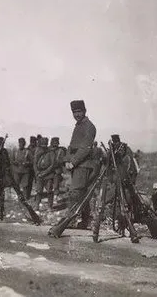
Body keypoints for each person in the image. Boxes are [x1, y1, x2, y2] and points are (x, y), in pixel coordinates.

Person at [57, 99, 97, 231]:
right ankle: (86, 221)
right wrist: (67, 159)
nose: (77, 114)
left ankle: (71, 220)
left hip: (83, 165)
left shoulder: (89, 127)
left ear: (84, 111)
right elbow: (72, 146)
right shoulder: (79, 125)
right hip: (78, 164)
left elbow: (85, 148)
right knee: (81, 193)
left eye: (79, 111)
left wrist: (73, 162)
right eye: (74, 112)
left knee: (75, 193)